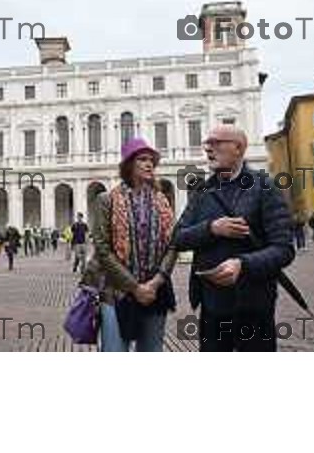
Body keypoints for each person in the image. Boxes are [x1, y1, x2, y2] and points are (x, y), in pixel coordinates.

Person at [171, 124, 295, 352]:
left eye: (216, 143)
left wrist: (242, 264)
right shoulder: (202, 191)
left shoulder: (265, 187)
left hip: (254, 305)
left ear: (238, 148)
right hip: (212, 305)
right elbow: (178, 238)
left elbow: (284, 249)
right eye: (207, 144)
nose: (208, 148)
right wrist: (212, 228)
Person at [84, 137, 178, 352]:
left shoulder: (161, 200)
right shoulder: (107, 200)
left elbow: (173, 244)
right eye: (142, 159)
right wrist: (135, 288)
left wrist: (155, 282)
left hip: (155, 291)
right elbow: (102, 248)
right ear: (128, 164)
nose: (149, 164)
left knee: (152, 350)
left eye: (152, 160)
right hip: (118, 291)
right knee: (115, 349)